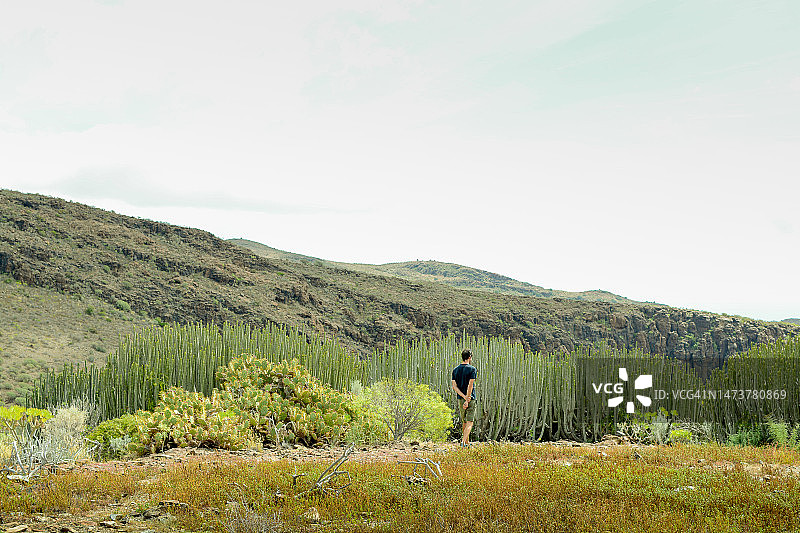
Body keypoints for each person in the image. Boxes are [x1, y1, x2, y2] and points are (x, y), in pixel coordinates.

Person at [451, 349, 477, 447]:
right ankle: (463, 442)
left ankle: (467, 442)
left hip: (460, 398)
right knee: (470, 422)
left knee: (464, 422)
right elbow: (470, 385)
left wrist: (463, 397)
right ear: (470, 357)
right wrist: (467, 399)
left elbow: (454, 386)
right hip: (470, 399)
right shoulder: (472, 369)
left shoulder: (455, 370)